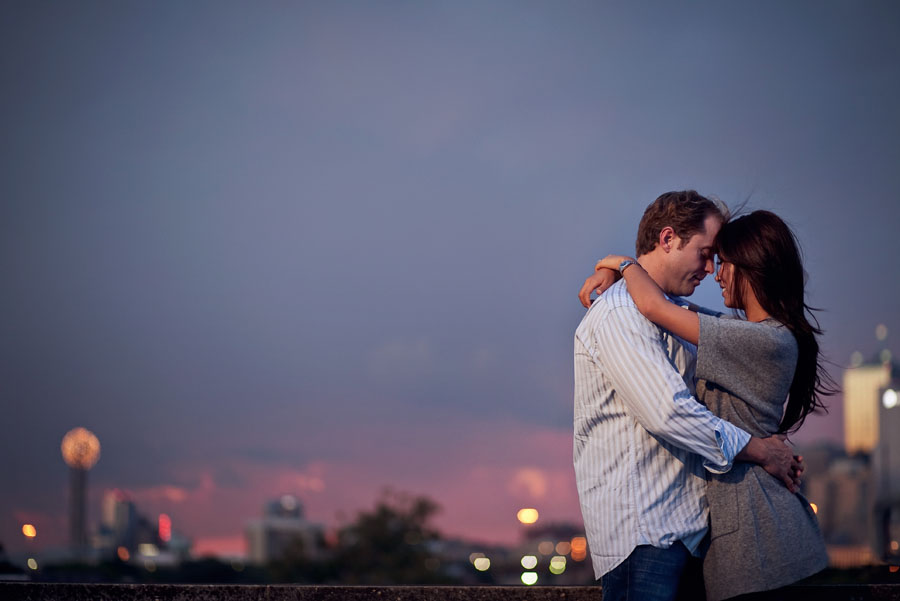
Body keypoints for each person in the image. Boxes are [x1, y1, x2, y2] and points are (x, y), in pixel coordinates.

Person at [581, 209, 831, 600]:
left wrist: (621, 263)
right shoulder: (747, 334)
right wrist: (617, 271)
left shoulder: (762, 340)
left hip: (755, 529)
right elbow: (662, 305)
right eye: (708, 255)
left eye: (724, 261)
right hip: (739, 525)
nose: (716, 272)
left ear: (752, 267)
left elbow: (655, 308)